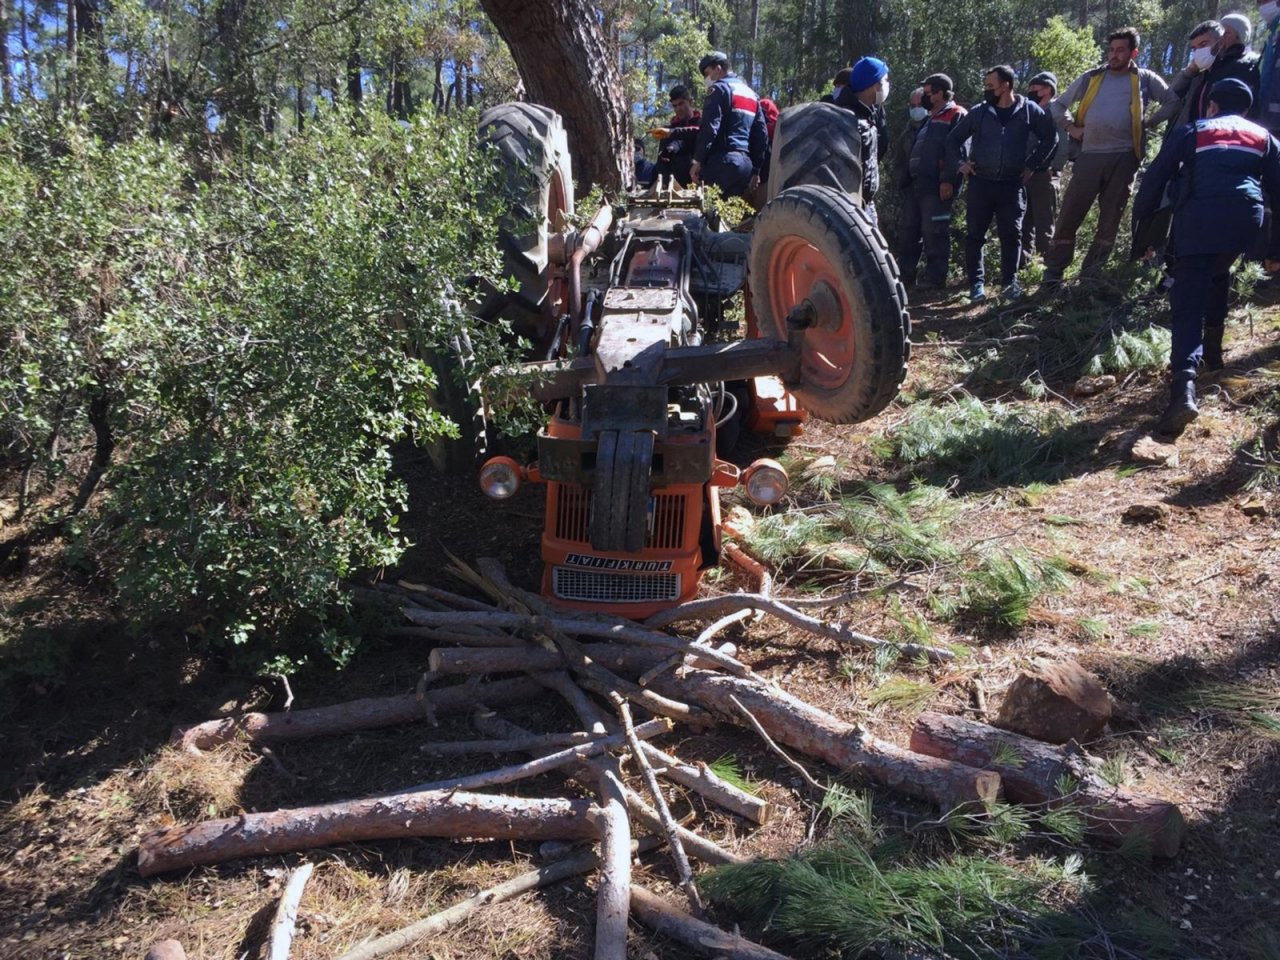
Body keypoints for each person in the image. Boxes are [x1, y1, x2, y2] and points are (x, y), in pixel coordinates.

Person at [1132, 78, 1280, 436]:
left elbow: (1154, 179)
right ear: (1246, 109)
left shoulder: (1192, 130)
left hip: (1199, 217)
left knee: (1188, 299)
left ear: (1211, 105)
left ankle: (1183, 390)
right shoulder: (1263, 138)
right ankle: (1213, 354)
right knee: (1219, 270)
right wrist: (1275, 249)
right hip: (1245, 220)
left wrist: (1141, 236)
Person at [1043, 27, 1178, 284]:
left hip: (1125, 158)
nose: (1114, 55)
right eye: (1111, 50)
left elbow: (1173, 102)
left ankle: (1090, 277)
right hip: (1089, 155)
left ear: (1133, 52)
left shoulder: (1145, 78)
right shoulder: (1092, 77)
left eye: (1120, 50)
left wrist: (1147, 123)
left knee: (1110, 218)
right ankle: (1053, 274)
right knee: (1070, 212)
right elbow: (1058, 105)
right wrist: (1071, 127)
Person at [945, 65, 1058, 301]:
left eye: (990, 86)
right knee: (975, 235)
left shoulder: (1029, 110)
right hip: (980, 183)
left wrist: (1032, 165)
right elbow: (953, 140)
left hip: (1012, 185)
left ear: (1005, 85)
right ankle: (977, 285)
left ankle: (1010, 284)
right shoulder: (980, 112)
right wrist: (961, 164)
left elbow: (1051, 137)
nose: (986, 90)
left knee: (1012, 235)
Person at [901, 73, 966, 288]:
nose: (925, 99)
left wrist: (948, 180)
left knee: (934, 230)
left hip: (937, 186)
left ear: (939, 94)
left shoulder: (956, 115)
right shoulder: (929, 119)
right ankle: (906, 277)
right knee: (910, 230)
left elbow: (958, 151)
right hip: (916, 185)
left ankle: (935, 278)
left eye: (928, 93)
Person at [691, 51, 769, 199]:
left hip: (722, 162)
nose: (706, 79)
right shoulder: (751, 95)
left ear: (718, 68)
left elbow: (709, 128)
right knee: (733, 217)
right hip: (745, 165)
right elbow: (761, 135)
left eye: (707, 73)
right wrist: (756, 170)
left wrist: (697, 160)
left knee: (709, 214)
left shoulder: (718, 89)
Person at [835, 56, 890, 222]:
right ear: (874, 85)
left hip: (866, 205)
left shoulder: (870, 115)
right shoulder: (848, 120)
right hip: (851, 208)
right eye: (885, 80)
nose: (887, 85)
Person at [1021, 71, 1068, 265]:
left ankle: (1050, 269)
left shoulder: (1056, 110)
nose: (1031, 91)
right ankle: (1021, 266)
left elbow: (1063, 142)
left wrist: (1055, 168)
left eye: (1035, 87)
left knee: (1044, 224)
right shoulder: (1029, 111)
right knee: (1023, 224)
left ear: (1048, 89)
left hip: (1044, 175)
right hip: (1025, 175)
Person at [652, 84, 701, 187]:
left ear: (690, 102)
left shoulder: (702, 124)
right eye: (675, 106)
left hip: (700, 181)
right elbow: (662, 162)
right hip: (676, 186)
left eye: (681, 104)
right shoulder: (667, 131)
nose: (678, 108)